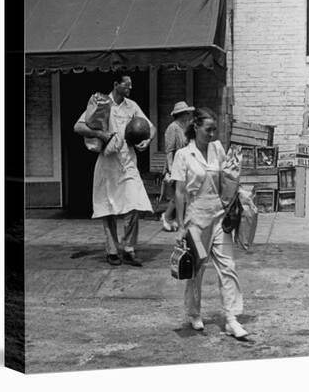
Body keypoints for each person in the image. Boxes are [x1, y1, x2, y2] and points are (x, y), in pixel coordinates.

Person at [171, 107, 248, 338]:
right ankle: (194, 313)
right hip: (196, 217)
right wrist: (181, 225)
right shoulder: (183, 155)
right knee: (196, 269)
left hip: (219, 216)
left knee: (228, 266)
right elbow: (180, 192)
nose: (213, 134)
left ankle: (231, 318)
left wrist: (238, 196)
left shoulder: (217, 148)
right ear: (195, 127)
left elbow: (227, 177)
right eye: (208, 129)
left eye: (215, 129)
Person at [74, 72, 156, 267]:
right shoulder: (102, 103)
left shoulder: (132, 106)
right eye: (126, 85)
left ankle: (128, 248)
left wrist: (148, 139)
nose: (130, 88)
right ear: (116, 85)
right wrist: (100, 134)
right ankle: (112, 250)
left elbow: (150, 127)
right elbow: (78, 126)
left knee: (134, 205)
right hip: (108, 162)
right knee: (108, 207)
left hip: (128, 162)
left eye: (131, 85)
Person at [160, 101, 194, 232]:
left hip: (185, 165)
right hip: (174, 165)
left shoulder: (185, 127)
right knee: (177, 196)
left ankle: (176, 219)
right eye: (186, 113)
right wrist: (170, 170)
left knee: (184, 194)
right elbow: (169, 150)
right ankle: (167, 216)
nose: (188, 115)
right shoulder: (172, 128)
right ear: (181, 114)